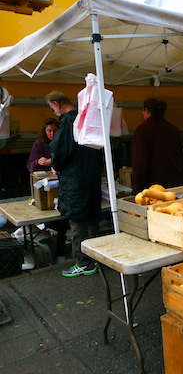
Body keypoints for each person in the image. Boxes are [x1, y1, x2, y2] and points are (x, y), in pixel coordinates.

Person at [46, 91, 102, 277]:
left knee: (77, 220)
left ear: (56, 104)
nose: (53, 112)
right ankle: (96, 258)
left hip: (75, 180)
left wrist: (55, 164)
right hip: (90, 176)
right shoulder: (86, 117)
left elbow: (61, 150)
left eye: (51, 107)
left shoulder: (68, 121)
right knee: (91, 219)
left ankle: (84, 262)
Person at [131, 98, 183, 193]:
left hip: (154, 188)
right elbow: (181, 158)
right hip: (175, 183)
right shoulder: (172, 129)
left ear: (146, 110)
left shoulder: (142, 131)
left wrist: (137, 190)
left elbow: (139, 163)